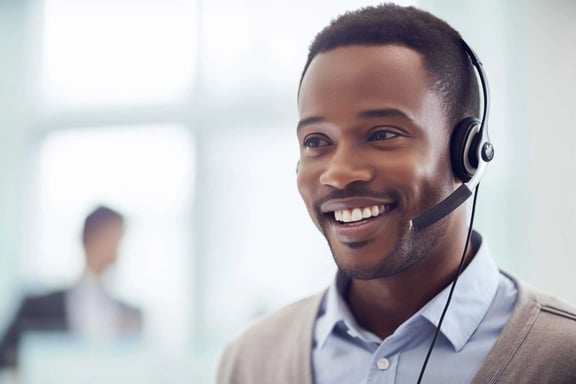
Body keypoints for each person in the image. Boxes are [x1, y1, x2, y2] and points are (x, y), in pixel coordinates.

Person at [217, 3, 576, 384]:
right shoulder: (251, 361)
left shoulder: (563, 358)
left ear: (467, 154)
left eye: (383, 134)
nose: (338, 175)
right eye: (317, 141)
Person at [0, 205, 142, 370]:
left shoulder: (132, 316)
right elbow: (6, 357)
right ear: (90, 237)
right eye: (113, 237)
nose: (118, 247)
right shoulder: (37, 308)